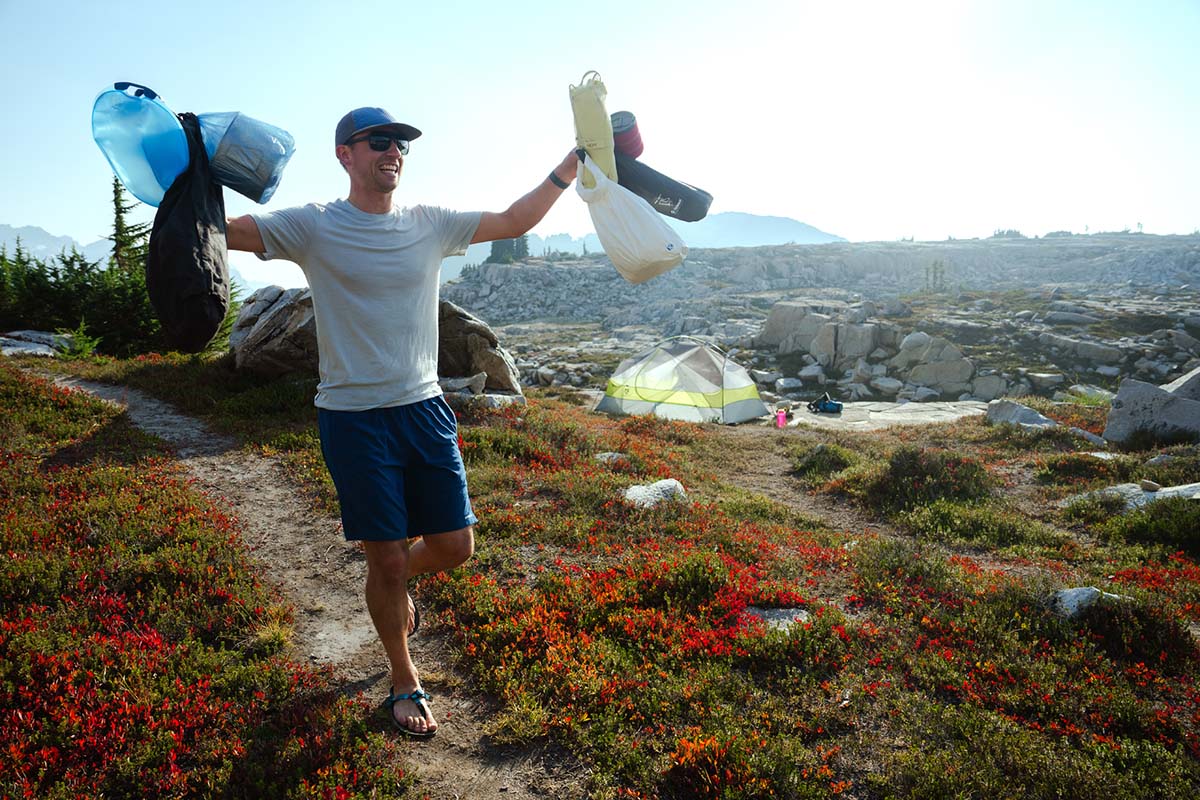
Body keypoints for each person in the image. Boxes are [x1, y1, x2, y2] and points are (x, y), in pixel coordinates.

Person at [226, 106, 579, 738]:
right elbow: (222, 233)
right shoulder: (313, 225)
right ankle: (402, 675)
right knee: (386, 558)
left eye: (401, 145)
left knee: (454, 546)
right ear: (346, 154)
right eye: (380, 141)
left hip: (424, 409)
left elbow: (515, 220)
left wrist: (570, 166)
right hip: (353, 418)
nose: (394, 152)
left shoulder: (429, 224)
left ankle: (393, 579)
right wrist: (189, 181)